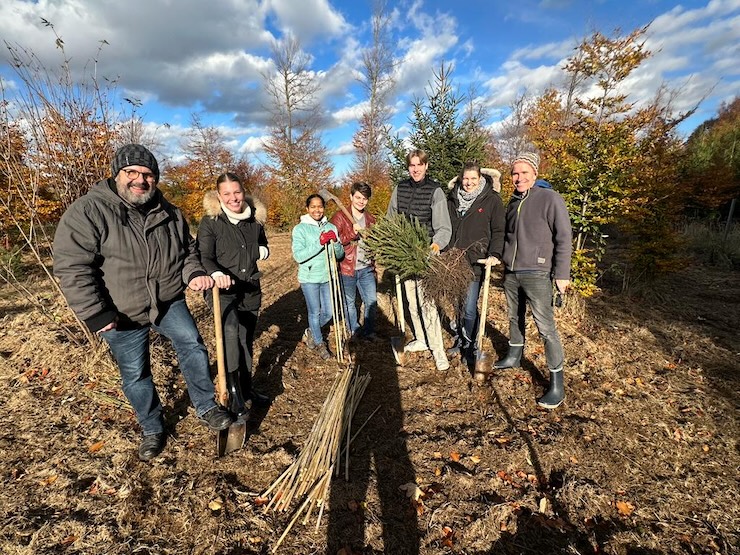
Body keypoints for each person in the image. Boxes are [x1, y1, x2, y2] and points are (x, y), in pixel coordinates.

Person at [53, 144, 234, 462]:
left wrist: (193, 274)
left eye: (148, 174)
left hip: (167, 299)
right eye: (132, 172)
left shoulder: (170, 212)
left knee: (192, 344)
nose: (140, 180)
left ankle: (206, 406)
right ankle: (152, 428)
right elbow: (72, 265)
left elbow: (188, 252)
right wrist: (96, 312)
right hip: (120, 310)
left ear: (156, 178)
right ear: (117, 175)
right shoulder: (88, 211)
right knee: (136, 374)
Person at [494, 152, 572, 409]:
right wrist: (502, 258)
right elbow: (507, 234)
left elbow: (563, 237)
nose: (519, 178)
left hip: (537, 272)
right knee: (514, 317)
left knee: (546, 327)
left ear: (535, 174)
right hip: (513, 271)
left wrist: (562, 274)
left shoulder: (550, 199)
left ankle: (557, 383)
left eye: (524, 172)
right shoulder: (513, 201)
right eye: (515, 173)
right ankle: (514, 355)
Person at [197, 172, 271, 419]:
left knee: (246, 339)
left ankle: (247, 388)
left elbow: (263, 242)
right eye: (226, 194)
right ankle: (232, 390)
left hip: (249, 288)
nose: (233, 198)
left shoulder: (255, 220)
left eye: (237, 192)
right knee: (230, 333)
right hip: (222, 291)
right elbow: (204, 256)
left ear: (243, 191)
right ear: (219, 196)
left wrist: (263, 250)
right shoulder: (211, 222)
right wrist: (216, 273)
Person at [388, 149, 452, 371]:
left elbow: (443, 228)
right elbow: (391, 219)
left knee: (427, 305)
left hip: (426, 256)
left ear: (426, 166)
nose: (415, 169)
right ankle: (421, 339)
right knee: (412, 303)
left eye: (419, 165)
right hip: (405, 256)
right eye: (411, 165)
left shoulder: (435, 191)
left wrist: (434, 247)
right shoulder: (400, 189)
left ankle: (438, 350)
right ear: (408, 167)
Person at [446, 161, 505, 365]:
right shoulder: (452, 199)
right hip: (454, 262)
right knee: (458, 305)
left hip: (475, 262)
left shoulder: (491, 200)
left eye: (473, 178)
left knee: (469, 307)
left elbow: (498, 230)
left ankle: (470, 345)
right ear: (461, 179)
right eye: (466, 178)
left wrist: (495, 253)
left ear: (480, 179)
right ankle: (461, 340)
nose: (469, 183)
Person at [292, 194, 345, 360]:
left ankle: (310, 331)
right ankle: (319, 342)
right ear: (307, 209)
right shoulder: (300, 229)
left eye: (320, 206)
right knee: (314, 312)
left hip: (328, 276)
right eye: (313, 207)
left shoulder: (331, 227)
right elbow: (299, 256)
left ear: (324, 208)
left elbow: (339, 255)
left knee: (328, 313)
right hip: (309, 277)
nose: (317, 210)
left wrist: (335, 242)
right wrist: (319, 243)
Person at [329, 182, 377, 340]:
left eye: (364, 198)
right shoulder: (339, 217)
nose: (361, 201)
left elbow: (374, 244)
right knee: (349, 303)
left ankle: (369, 332)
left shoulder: (371, 219)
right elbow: (331, 241)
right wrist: (351, 234)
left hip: (366, 268)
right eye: (358, 197)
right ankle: (354, 330)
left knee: (371, 301)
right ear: (351, 197)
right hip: (347, 267)